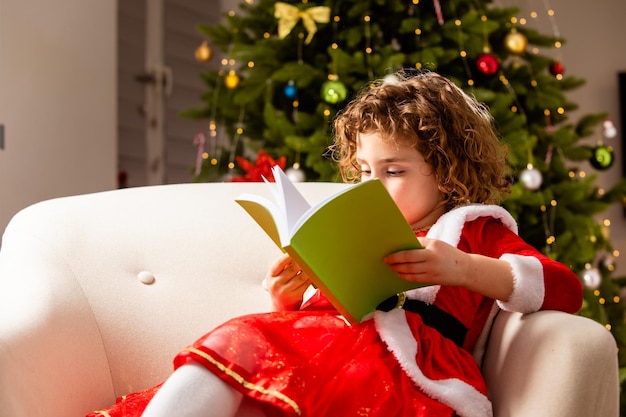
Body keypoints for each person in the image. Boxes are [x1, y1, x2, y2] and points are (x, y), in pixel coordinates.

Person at [89, 71, 583, 417]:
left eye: (394, 171)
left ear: (447, 169)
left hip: (404, 372)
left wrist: (463, 268)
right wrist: (286, 299)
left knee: (246, 340)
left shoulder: (474, 228)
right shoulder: (359, 221)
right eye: (365, 171)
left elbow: (563, 288)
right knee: (239, 355)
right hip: (322, 347)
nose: (374, 184)